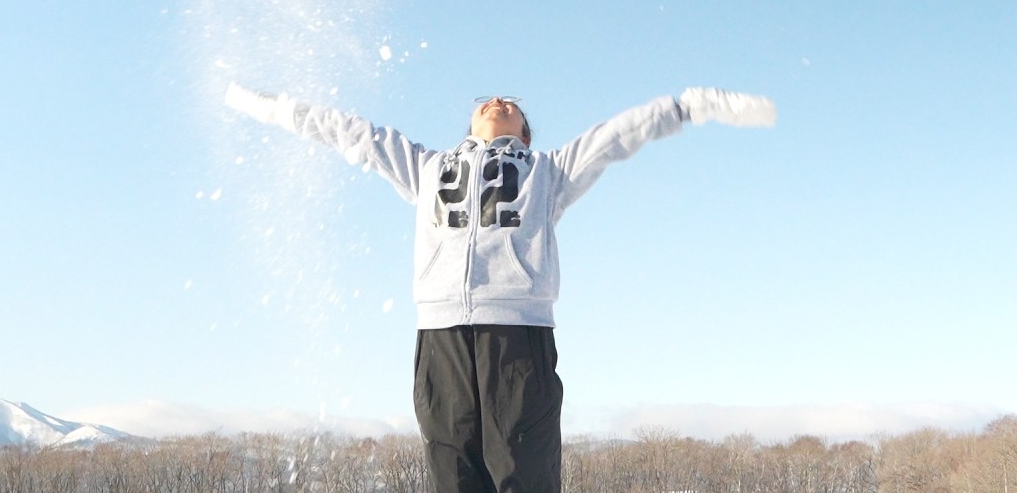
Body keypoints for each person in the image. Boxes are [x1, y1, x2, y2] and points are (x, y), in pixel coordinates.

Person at [224, 84, 776, 493]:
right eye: (487, 100)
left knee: (523, 473)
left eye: (511, 104)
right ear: (468, 124)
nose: (498, 101)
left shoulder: (548, 172)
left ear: (525, 133)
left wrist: (693, 104)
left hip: (517, 336)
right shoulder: (426, 167)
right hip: (438, 336)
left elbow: (619, 135)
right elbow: (351, 132)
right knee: (453, 475)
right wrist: (270, 107)